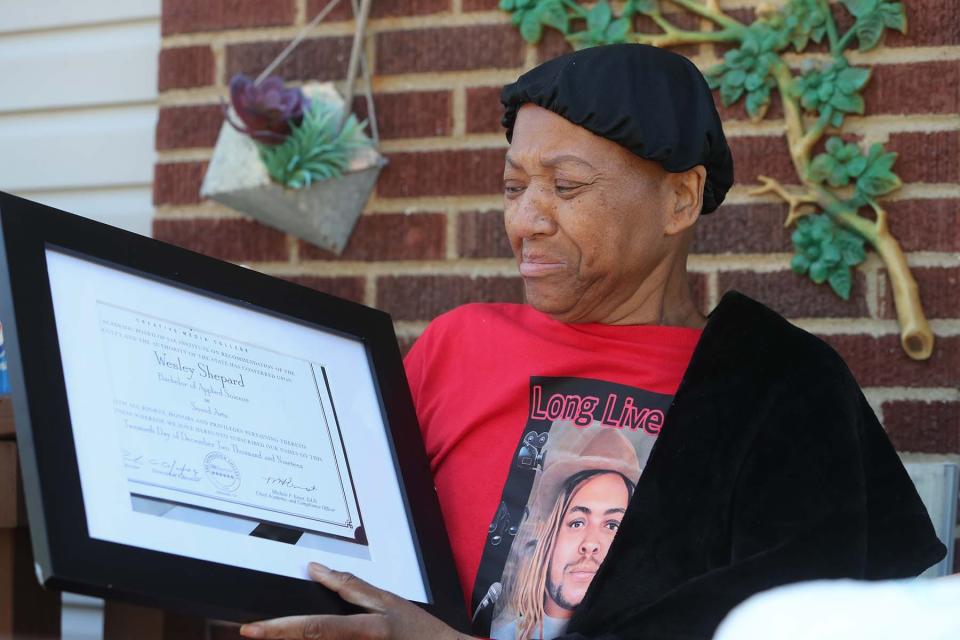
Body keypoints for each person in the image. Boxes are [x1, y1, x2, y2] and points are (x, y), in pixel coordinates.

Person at [239, 44, 945, 640]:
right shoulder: (458, 346)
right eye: (514, 187)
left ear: (679, 200)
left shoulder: (781, 390)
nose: (527, 220)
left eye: (566, 187)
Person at [490, 427, 641, 640]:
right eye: (577, 522)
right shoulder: (501, 633)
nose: (591, 544)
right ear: (549, 535)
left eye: (612, 525)